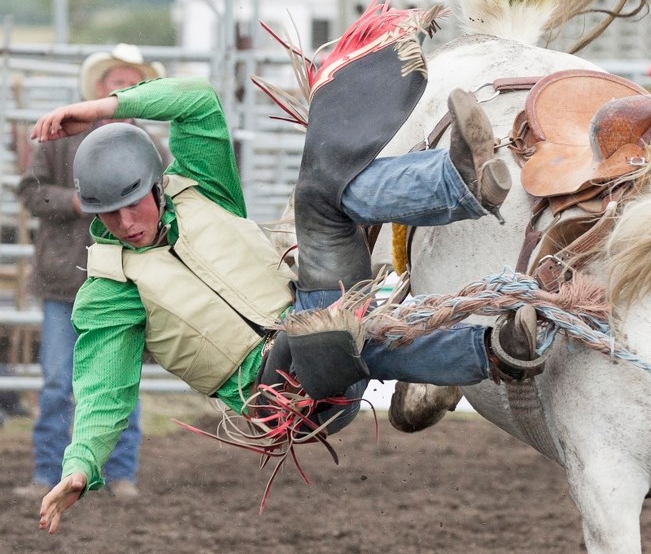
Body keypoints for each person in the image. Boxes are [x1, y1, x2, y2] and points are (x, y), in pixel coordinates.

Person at [30, 72, 541, 534]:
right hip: (279, 397)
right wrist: (80, 466)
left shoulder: (202, 188)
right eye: (109, 215)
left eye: (132, 204)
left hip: (310, 309)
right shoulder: (111, 287)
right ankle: (485, 353)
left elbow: (198, 102)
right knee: (325, 336)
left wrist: (104, 108)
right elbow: (104, 389)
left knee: (325, 196)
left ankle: (461, 187)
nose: (126, 224)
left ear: (157, 186)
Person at [13, 44, 167, 500]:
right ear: (100, 89)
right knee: (59, 382)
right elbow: (31, 192)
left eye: (130, 82)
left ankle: (117, 472)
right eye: (116, 81)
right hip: (68, 280)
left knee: (118, 381)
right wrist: (75, 202)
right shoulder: (61, 140)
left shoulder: (148, 146)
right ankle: (50, 472)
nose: (122, 89)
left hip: (119, 283)